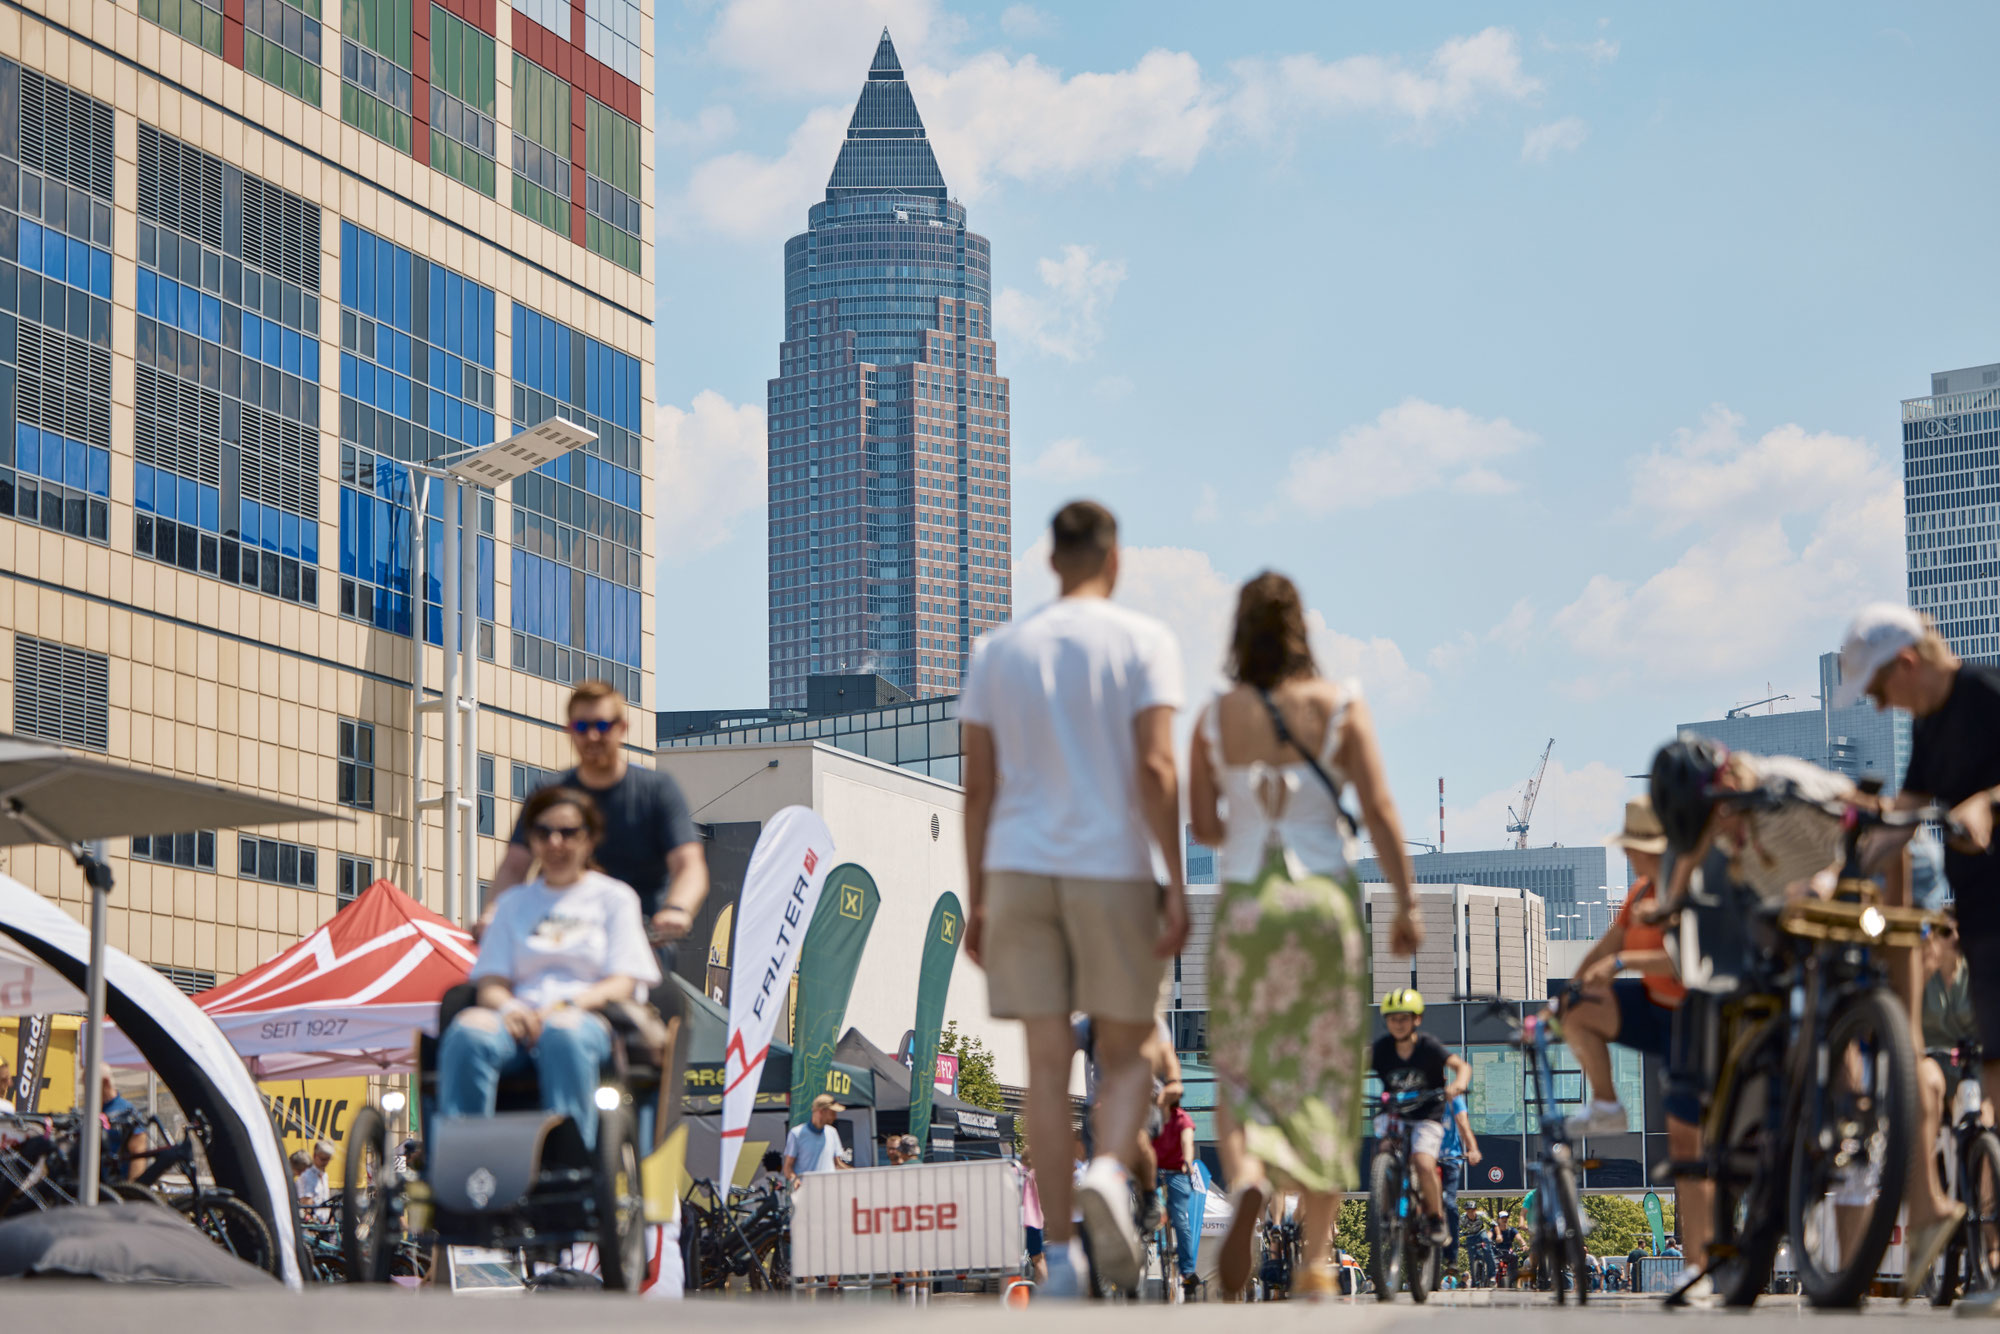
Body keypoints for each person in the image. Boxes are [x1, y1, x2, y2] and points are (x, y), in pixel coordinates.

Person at [961, 500, 1188, 1299]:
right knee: (1126, 1057)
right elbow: (1157, 771)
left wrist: (979, 898)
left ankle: (1059, 1258)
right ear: (1115, 560)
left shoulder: (996, 653)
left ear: (1050, 560)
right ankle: (1106, 1171)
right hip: (1114, 868)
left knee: (1047, 1066)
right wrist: (1175, 883)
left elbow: (979, 788)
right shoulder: (1145, 643)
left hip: (1020, 870)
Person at [1188, 571, 1422, 1299]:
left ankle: (1249, 1180)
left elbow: (1204, 825)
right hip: (1322, 907)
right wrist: (1407, 904)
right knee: (1326, 1072)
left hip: (1248, 908)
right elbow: (1380, 810)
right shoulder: (1340, 705)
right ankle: (1317, 1256)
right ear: (1302, 630)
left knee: (1240, 1068)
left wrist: (1250, 812)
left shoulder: (1215, 717)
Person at [439, 786, 661, 1148]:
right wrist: (511, 1009)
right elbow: (491, 982)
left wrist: (565, 1006)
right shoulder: (512, 903)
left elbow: (622, 981)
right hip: (517, 1021)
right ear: (532, 840)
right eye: (543, 833)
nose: (555, 843)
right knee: (468, 1033)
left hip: (586, 1017)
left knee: (562, 1033)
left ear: (589, 839)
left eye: (568, 833)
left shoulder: (615, 898)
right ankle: (465, 1154)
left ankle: (571, 1154)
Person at [483, 681, 708, 971]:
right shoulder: (549, 793)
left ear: (622, 728)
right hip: (559, 933)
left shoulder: (656, 790)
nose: (592, 736)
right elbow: (514, 866)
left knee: (649, 995)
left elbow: (689, 865)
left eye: (602, 726)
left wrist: (677, 909)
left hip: (638, 940)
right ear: (569, 730)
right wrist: (492, 914)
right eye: (582, 726)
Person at [1371, 989, 1471, 1250]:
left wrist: (1458, 1084)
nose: (1398, 1024)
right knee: (1383, 1151)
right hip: (1394, 1112)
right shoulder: (1381, 1048)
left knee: (1423, 1162)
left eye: (1404, 1018)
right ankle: (1384, 1213)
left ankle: (1436, 1219)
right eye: (1392, 1019)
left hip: (1427, 1115)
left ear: (1417, 1019)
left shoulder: (1428, 1046)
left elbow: (1462, 1067)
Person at [1152, 1079, 1200, 1299]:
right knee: (1146, 1209)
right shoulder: (1151, 1118)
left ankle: (1187, 1270)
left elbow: (1187, 1142)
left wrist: (1187, 1162)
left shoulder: (1182, 1119)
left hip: (1177, 1171)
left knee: (1180, 1219)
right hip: (1153, 1170)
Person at [1438, 1091, 1481, 1273]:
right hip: (1426, 1158)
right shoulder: (1418, 1097)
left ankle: (1451, 1257)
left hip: (1450, 1159)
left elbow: (1463, 1123)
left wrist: (1472, 1148)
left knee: (1449, 1204)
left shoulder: (1453, 1100)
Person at [783, 1093, 849, 1186]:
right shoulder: (796, 1134)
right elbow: (787, 1168)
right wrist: (795, 1181)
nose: (835, 1117)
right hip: (807, 1190)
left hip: (830, 1189)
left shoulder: (832, 1132)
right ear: (821, 1112)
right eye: (832, 1113)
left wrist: (858, 1174)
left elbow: (837, 1164)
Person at [98, 1073, 145, 1182]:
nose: (86, 1090)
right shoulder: (95, 1108)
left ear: (105, 1082)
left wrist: (131, 1187)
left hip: (117, 1183)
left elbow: (138, 1151)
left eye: (88, 1084)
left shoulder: (126, 1110)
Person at [297, 1139, 333, 1208]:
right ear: (314, 1156)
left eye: (328, 1159)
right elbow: (305, 1202)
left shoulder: (324, 1175)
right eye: (323, 1159)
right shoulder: (306, 1175)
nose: (325, 1162)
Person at [1494, 1210, 1523, 1287]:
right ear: (1498, 1220)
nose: (1504, 1220)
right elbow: (1488, 1236)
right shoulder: (1494, 1230)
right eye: (1502, 1218)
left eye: (1506, 1218)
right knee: (1491, 1262)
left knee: (1515, 1257)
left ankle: (1513, 1278)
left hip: (1507, 1253)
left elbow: (1519, 1238)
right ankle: (1491, 1280)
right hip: (1496, 1254)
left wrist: (1524, 1244)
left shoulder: (1511, 1230)